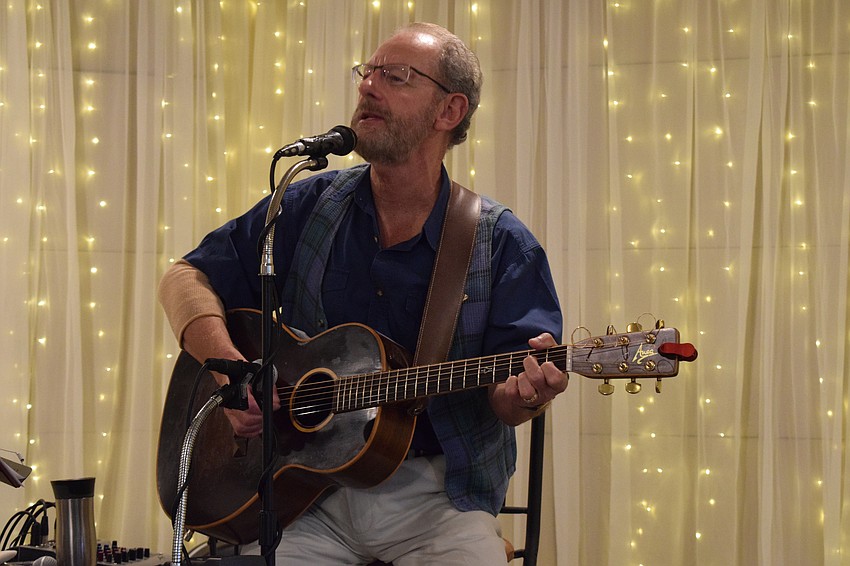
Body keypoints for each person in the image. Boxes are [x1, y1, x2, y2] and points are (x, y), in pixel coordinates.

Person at [158, 22, 568, 565]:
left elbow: (509, 395)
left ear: (449, 111)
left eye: (395, 76)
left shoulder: (501, 243)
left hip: (439, 504)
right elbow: (183, 278)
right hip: (304, 499)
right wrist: (230, 370)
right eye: (367, 72)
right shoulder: (307, 204)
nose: (367, 87)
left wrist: (524, 395)